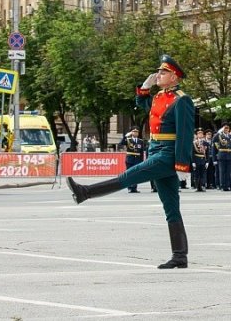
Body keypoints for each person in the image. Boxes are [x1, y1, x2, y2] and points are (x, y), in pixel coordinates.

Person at [67, 55, 195, 269]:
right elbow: (144, 104)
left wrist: (182, 164)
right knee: (171, 207)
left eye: (163, 73)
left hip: (167, 155)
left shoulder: (182, 100)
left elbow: (185, 132)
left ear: (174, 76)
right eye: (160, 72)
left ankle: (85, 192)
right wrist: (144, 88)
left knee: (128, 177)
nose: (158, 75)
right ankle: (180, 256)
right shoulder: (159, 97)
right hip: (155, 149)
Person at [120, 127, 145, 193]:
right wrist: (125, 136)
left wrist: (142, 161)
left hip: (137, 159)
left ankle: (134, 188)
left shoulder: (140, 141)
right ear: (131, 132)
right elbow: (121, 143)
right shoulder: (128, 139)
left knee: (136, 174)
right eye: (134, 131)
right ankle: (130, 188)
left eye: (137, 132)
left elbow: (141, 152)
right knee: (129, 174)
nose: (135, 133)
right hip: (130, 159)